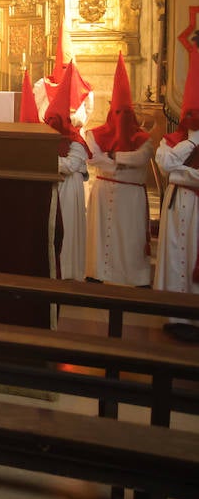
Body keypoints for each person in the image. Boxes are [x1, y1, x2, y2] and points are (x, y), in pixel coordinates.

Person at [84, 54, 154, 287]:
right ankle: (96, 272)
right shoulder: (95, 134)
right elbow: (94, 159)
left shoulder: (144, 139)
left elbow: (141, 157)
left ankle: (135, 277)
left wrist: (113, 157)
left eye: (125, 114)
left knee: (129, 238)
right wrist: (119, 162)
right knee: (100, 235)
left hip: (130, 196)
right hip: (104, 191)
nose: (120, 119)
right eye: (117, 113)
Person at [155, 55, 199, 340]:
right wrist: (192, 142)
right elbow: (166, 165)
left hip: (196, 207)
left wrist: (180, 173)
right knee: (174, 255)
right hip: (176, 204)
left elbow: (175, 171)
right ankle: (175, 315)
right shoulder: (171, 141)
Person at [44, 63, 90, 281]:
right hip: (53, 187)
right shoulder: (44, 140)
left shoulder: (77, 142)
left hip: (69, 190)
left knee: (69, 228)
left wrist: (43, 160)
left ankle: (70, 270)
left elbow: (70, 165)